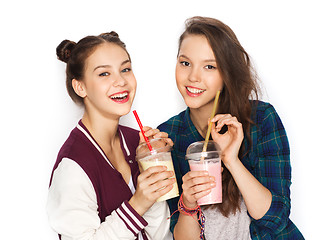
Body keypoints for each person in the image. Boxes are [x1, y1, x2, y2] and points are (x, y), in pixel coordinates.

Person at [158, 16, 304, 240]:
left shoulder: (261, 119)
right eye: (185, 63)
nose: (193, 77)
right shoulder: (169, 137)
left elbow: (275, 220)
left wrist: (231, 160)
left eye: (209, 66)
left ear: (226, 74)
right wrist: (187, 203)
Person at [47, 31, 174, 240]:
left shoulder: (137, 142)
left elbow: (161, 235)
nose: (121, 81)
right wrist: (138, 203)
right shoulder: (73, 165)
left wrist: (149, 164)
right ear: (80, 87)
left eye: (125, 69)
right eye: (104, 74)